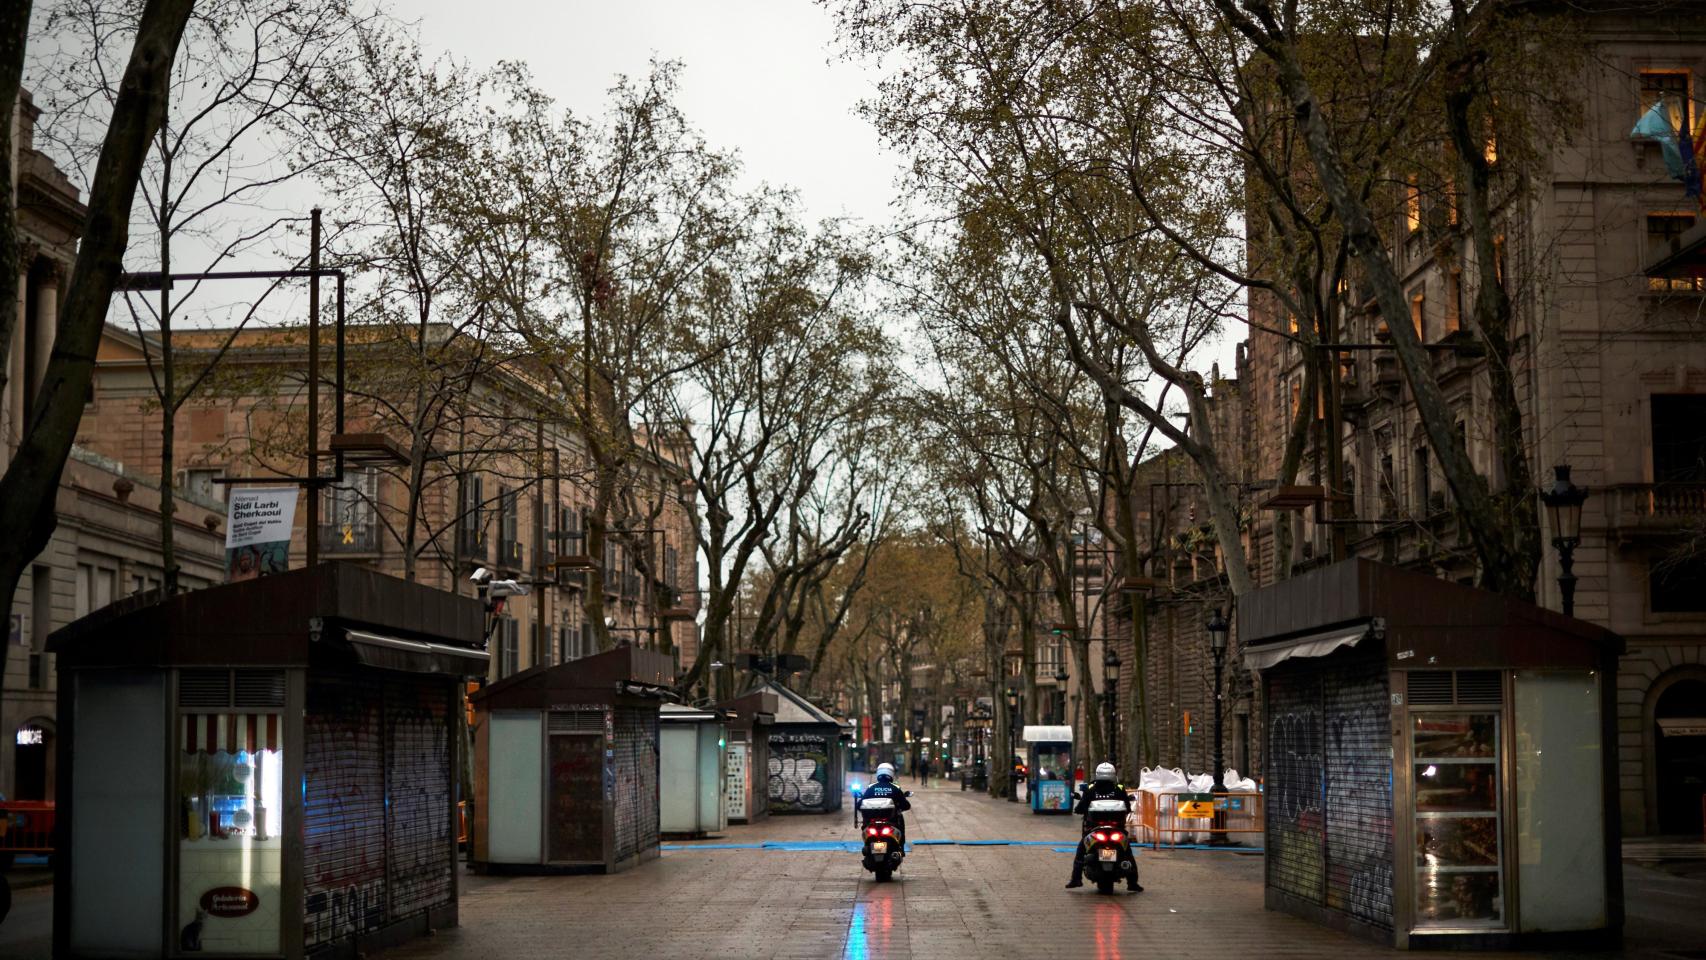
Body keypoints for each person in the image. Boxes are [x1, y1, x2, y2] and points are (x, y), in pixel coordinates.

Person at [1065, 761, 1142, 892]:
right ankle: (1132, 882)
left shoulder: (1091, 789)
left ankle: (1076, 879)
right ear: (1113, 774)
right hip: (1117, 829)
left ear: (1098, 774)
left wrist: (1078, 809)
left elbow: (1081, 806)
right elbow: (1128, 808)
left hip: (1094, 829)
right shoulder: (1119, 788)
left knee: (1081, 851)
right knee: (1127, 852)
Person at [858, 762, 911, 845]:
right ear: (891, 774)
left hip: (871, 825)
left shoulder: (871, 788)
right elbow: (906, 805)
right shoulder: (895, 788)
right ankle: (901, 845)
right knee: (900, 818)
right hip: (890, 824)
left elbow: (859, 805)